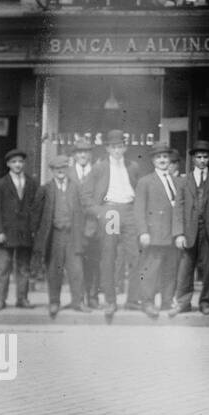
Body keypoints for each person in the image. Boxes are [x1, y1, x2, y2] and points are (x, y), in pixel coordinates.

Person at [88, 129, 141, 315]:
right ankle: (110, 301)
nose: (117, 150)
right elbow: (86, 195)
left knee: (135, 256)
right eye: (113, 147)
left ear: (125, 148)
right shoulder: (100, 167)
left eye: (120, 147)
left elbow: (138, 191)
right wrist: (100, 211)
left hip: (129, 210)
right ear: (108, 149)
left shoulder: (133, 166)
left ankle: (133, 300)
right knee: (109, 256)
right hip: (110, 211)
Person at [131, 142, 185, 319]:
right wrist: (143, 232)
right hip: (154, 234)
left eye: (165, 157)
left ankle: (167, 300)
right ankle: (147, 302)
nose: (162, 160)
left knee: (170, 269)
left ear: (170, 160)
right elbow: (139, 210)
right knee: (151, 269)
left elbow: (178, 209)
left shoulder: (176, 181)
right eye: (158, 157)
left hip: (171, 233)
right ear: (153, 160)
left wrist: (179, 233)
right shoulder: (145, 182)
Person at [171, 140, 209, 316]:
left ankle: (205, 302)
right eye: (199, 157)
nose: (202, 160)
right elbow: (178, 208)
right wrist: (178, 233)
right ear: (193, 159)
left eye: (205, 157)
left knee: (208, 268)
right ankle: (183, 302)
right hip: (189, 230)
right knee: (185, 268)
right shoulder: (183, 180)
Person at [33, 155, 86, 318]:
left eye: (63, 168)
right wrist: (37, 236)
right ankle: (54, 302)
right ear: (52, 171)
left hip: (72, 235)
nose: (60, 172)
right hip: (54, 235)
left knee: (76, 269)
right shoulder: (45, 189)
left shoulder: (76, 187)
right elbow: (36, 213)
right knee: (54, 270)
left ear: (68, 170)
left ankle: (78, 302)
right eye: (57, 169)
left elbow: (83, 211)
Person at [0, 149, 38, 311]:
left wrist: (33, 230)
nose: (18, 165)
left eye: (20, 162)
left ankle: (22, 298)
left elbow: (35, 209)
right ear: (8, 164)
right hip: (6, 233)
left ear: (24, 164)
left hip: (25, 233)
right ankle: (0, 300)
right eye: (14, 162)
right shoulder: (0, 184)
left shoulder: (31, 183)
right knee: (3, 268)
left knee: (24, 267)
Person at [69, 138, 100, 308]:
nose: (82, 155)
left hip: (93, 226)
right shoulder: (67, 173)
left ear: (90, 154)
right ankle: (78, 298)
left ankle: (93, 297)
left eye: (86, 152)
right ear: (74, 155)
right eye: (79, 152)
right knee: (75, 265)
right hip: (73, 227)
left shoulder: (97, 172)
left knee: (93, 263)